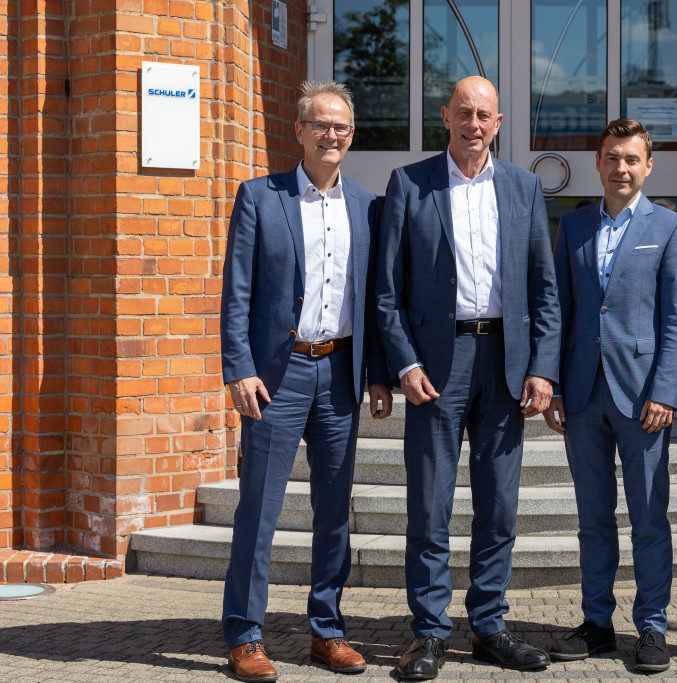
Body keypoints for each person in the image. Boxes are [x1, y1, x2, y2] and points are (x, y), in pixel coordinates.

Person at [376, 76, 560, 680]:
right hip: (436, 364)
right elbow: (387, 291)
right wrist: (403, 361)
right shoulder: (411, 183)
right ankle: (429, 631)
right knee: (429, 507)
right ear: (445, 117)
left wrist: (541, 367)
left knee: (499, 506)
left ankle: (489, 624)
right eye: (463, 113)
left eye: (483, 115)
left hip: (504, 364)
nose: (473, 124)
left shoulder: (523, 187)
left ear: (499, 122)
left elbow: (543, 290)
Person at [220, 80, 392, 682]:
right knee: (259, 509)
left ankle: (328, 630)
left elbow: (375, 300)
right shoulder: (260, 198)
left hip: (341, 372)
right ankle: (244, 636)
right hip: (278, 373)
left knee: (333, 512)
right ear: (299, 131)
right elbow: (236, 291)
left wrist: (377, 374)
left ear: (351, 135)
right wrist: (238, 367)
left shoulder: (369, 207)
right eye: (320, 125)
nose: (331, 136)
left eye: (341, 127)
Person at [543, 119, 677, 673]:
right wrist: (555, 383)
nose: (622, 168)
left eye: (632, 159)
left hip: (644, 399)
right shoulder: (575, 224)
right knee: (593, 517)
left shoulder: (672, 228)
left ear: (648, 165)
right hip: (583, 395)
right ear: (599, 163)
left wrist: (667, 391)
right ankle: (597, 622)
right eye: (612, 158)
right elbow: (559, 309)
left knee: (650, 517)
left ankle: (652, 627)